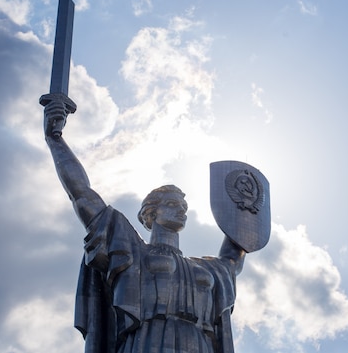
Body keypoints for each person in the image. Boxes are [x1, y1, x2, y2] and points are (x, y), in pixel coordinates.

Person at [43, 100, 245, 353]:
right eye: (172, 203)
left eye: (184, 206)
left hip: (199, 344)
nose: (181, 209)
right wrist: (55, 139)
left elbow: (238, 247)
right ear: (150, 212)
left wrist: (246, 202)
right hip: (147, 341)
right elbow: (82, 195)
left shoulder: (210, 268)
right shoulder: (132, 250)